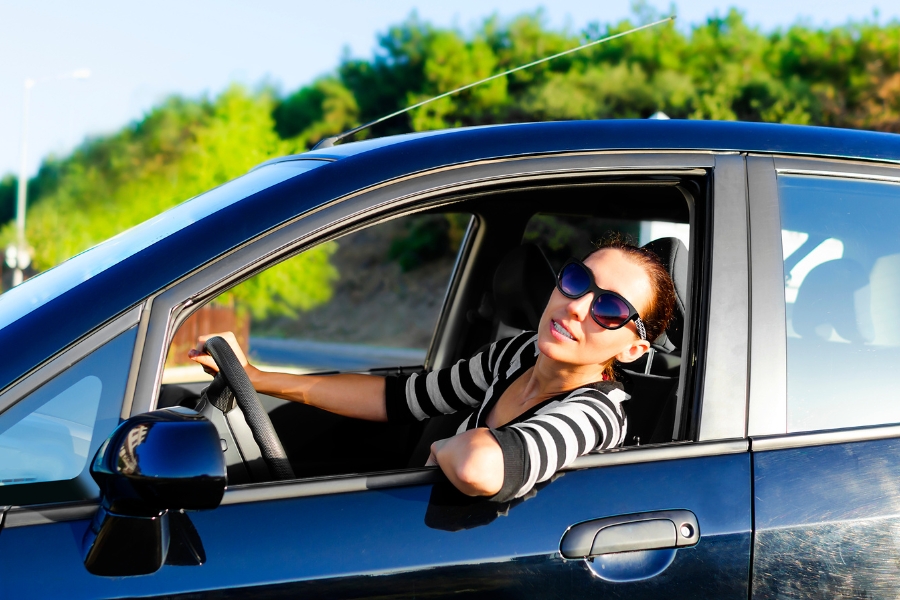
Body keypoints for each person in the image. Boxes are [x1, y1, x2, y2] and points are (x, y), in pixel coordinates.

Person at [188, 239, 677, 503]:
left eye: (609, 309)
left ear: (633, 348)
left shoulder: (600, 413)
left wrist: (441, 447)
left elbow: (479, 467)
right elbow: (401, 399)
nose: (576, 307)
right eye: (576, 281)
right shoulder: (517, 355)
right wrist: (257, 377)